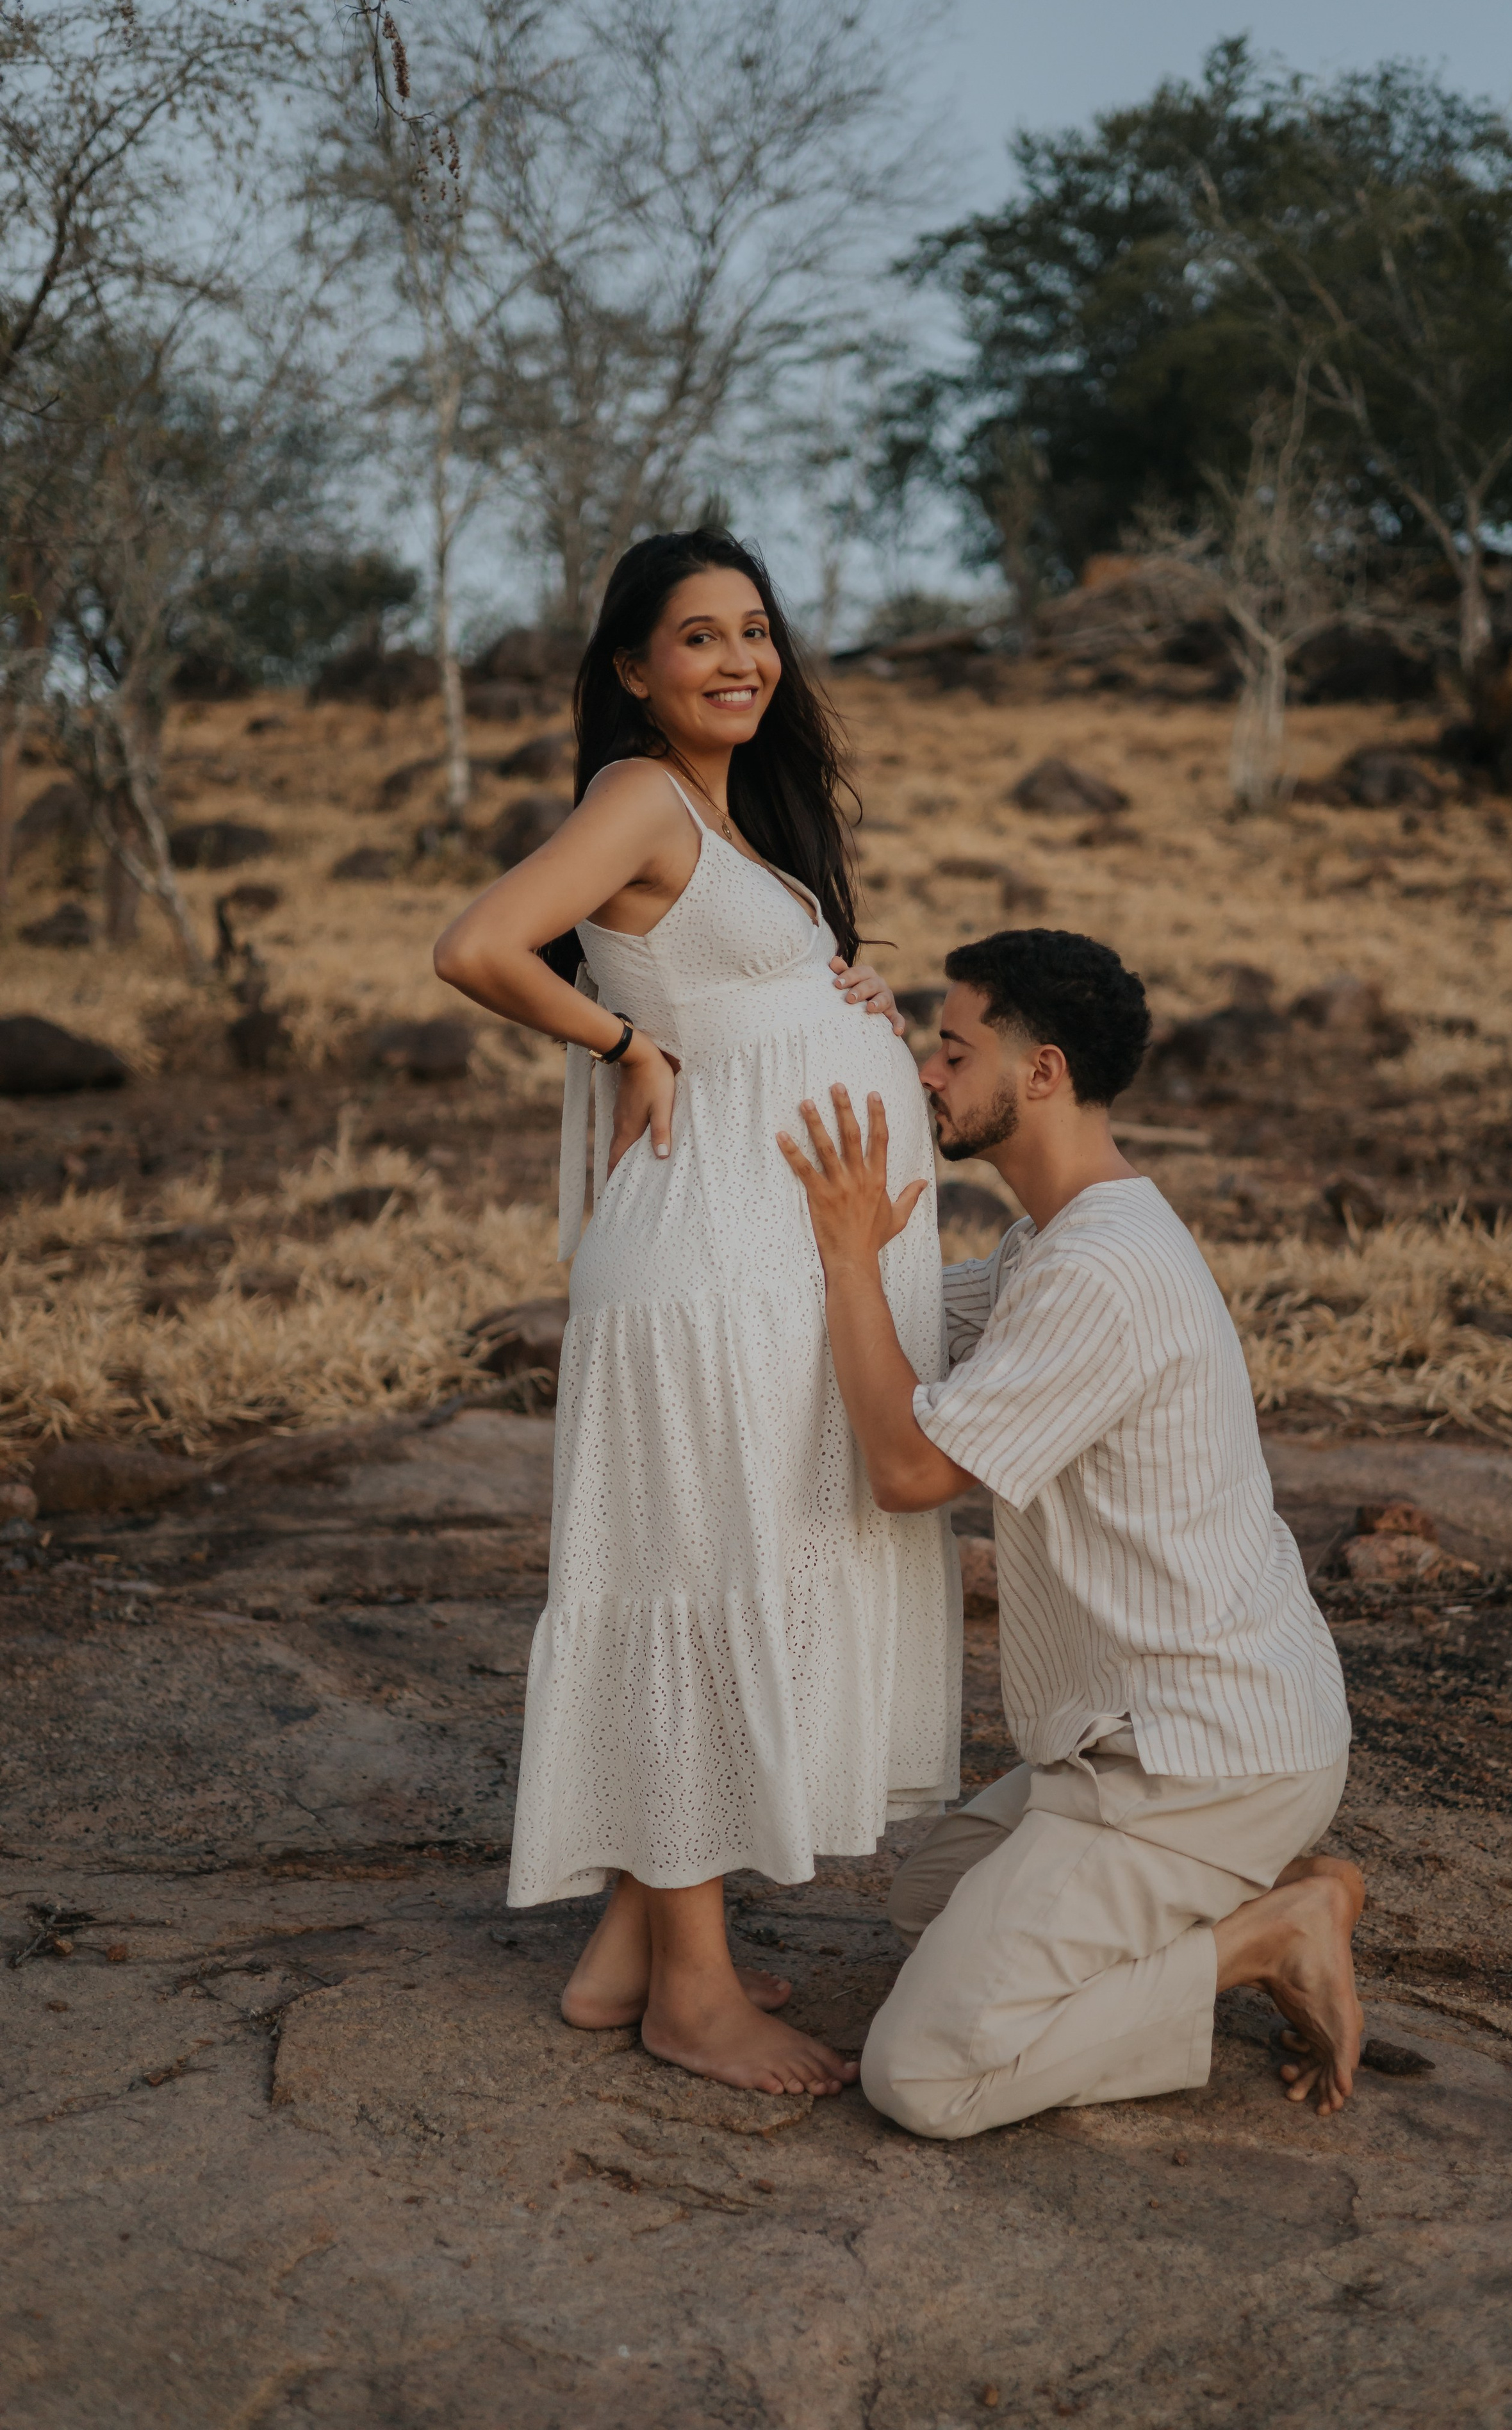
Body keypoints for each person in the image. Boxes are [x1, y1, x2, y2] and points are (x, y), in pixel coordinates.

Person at [432, 529, 960, 2098]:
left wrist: (837, 991)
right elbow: (475, 947)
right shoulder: (639, 795)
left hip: (769, 1259)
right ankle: (692, 1993)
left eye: (754, 631)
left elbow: (731, 990)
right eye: (696, 636)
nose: (736, 658)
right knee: (695, 1575)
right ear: (632, 670)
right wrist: (619, 1044)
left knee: (726, 1561)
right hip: (706, 1259)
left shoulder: (732, 822)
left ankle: (625, 1951)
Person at [777, 927, 1361, 2139]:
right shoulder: (1056, 1239)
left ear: (1040, 1073)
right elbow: (917, 1327)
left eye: (950, 1049)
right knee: (933, 1902)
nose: (930, 1075)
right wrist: (859, 1047)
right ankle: (1257, 1891)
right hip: (1147, 1739)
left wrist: (844, 1254)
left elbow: (907, 1466)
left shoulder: (1100, 1272)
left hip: (1195, 1757)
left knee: (927, 2077)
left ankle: (1262, 1935)